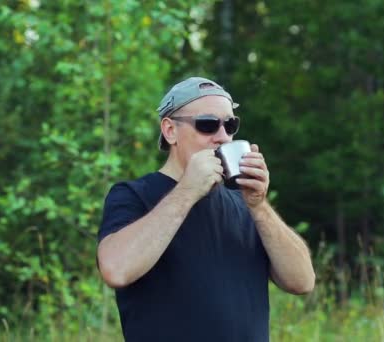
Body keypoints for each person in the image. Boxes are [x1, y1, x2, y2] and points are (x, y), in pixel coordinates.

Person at [97, 77, 315, 341]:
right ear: (170, 130)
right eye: (208, 125)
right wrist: (188, 191)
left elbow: (302, 281)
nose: (222, 136)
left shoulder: (245, 204)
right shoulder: (134, 195)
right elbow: (116, 269)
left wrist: (259, 206)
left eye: (230, 124)